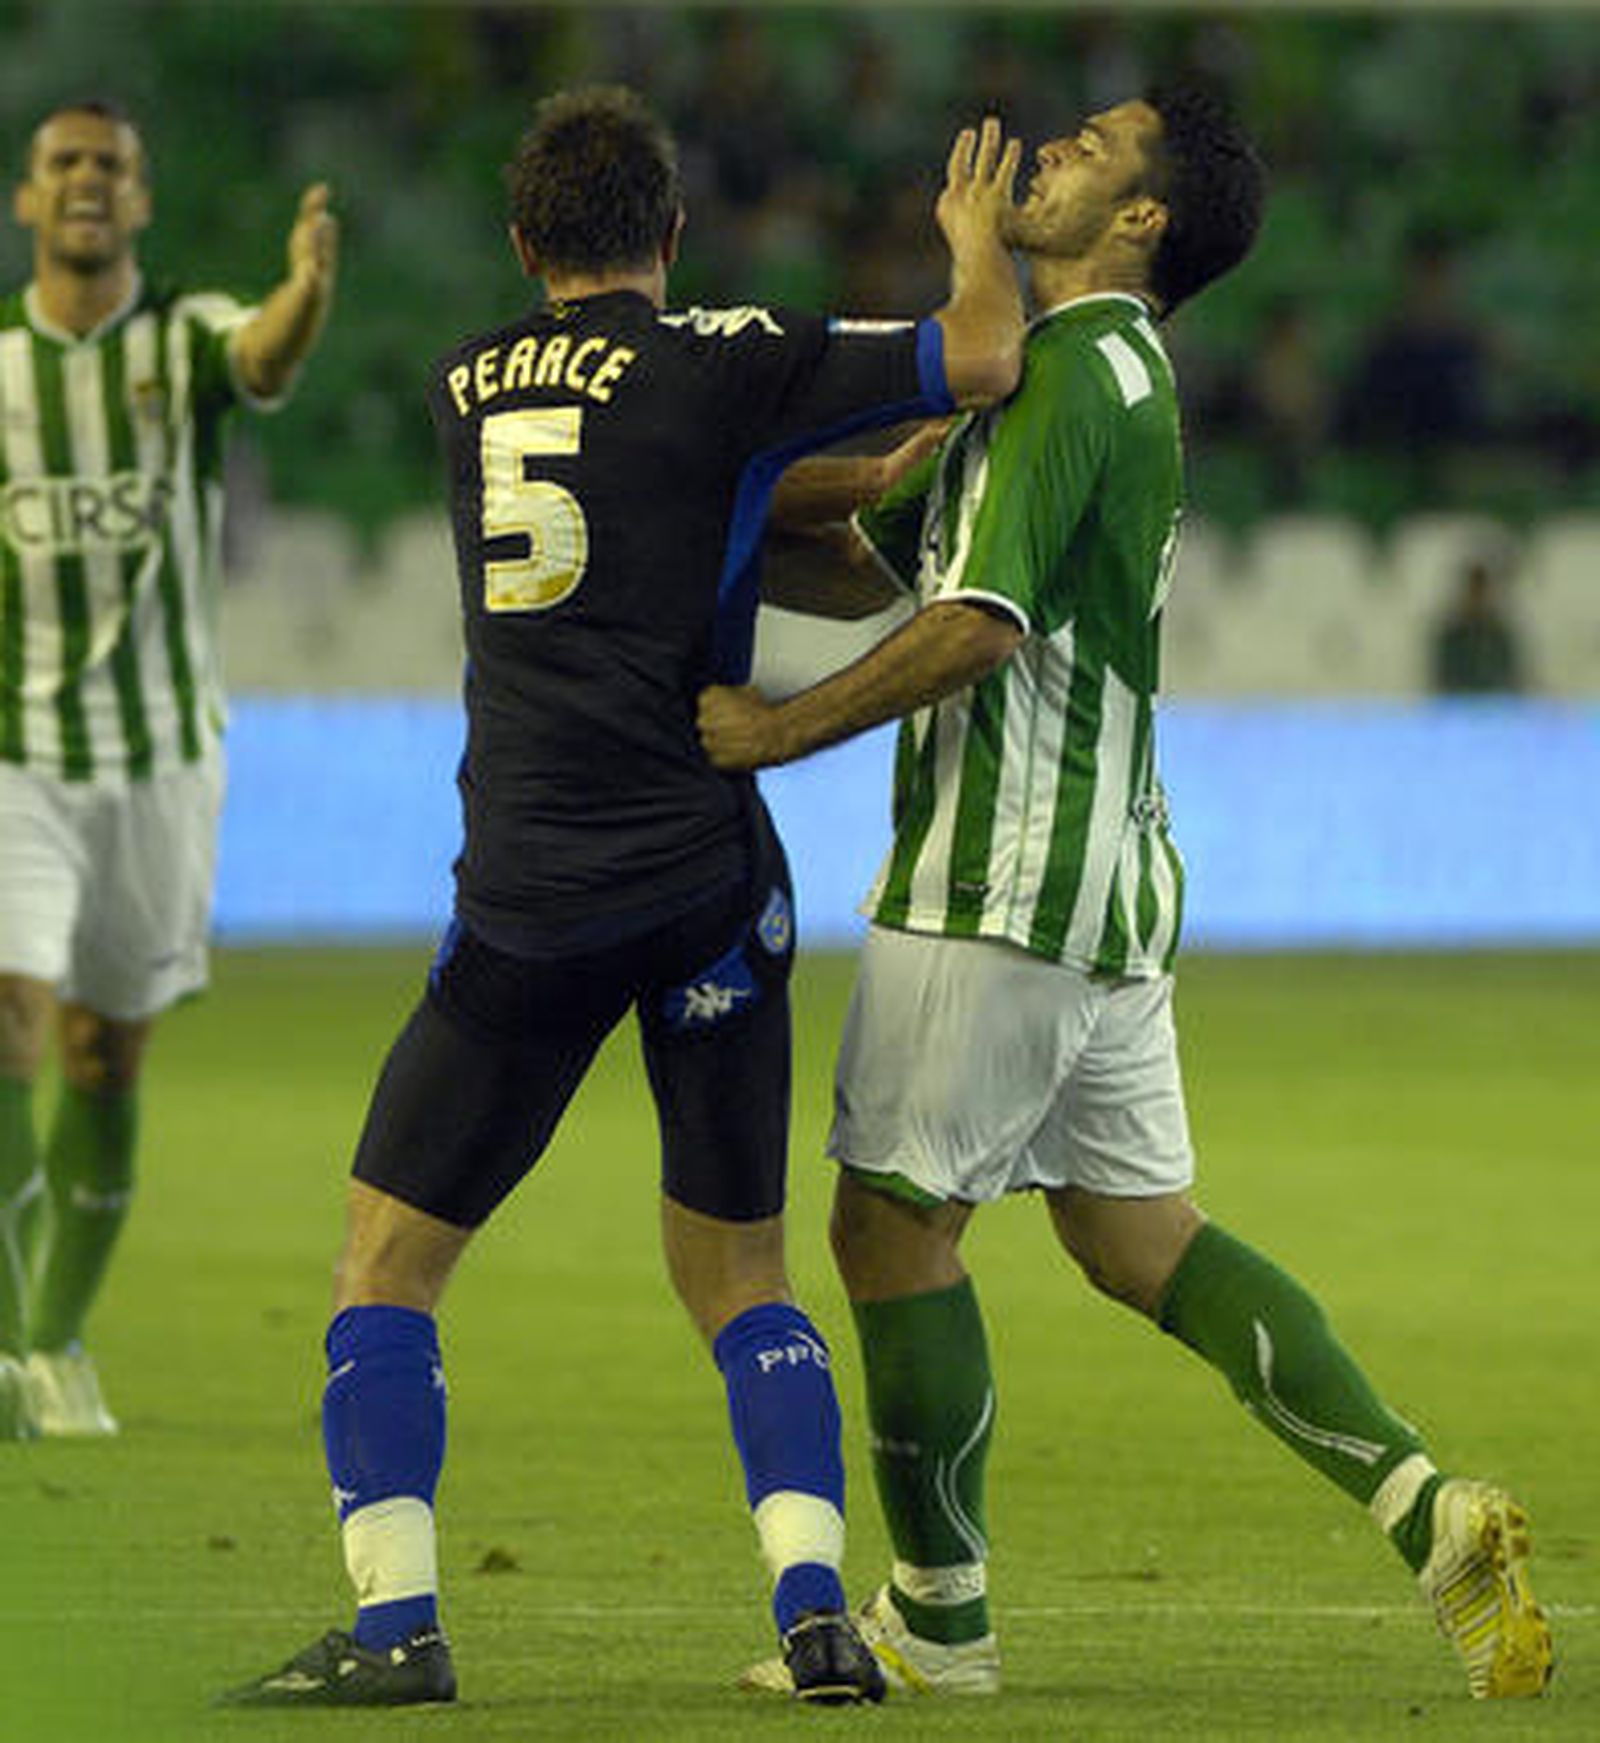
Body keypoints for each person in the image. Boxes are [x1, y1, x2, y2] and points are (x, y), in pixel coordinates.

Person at [700, 86, 1553, 1704]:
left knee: (888, 1228)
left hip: (1002, 877)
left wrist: (774, 731)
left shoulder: (1080, 369)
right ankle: (1424, 1506)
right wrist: (690, 493)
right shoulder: (1065, 380)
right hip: (1109, 880)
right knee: (1139, 1233)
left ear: (1144, 219)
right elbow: (879, 539)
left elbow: (978, 620)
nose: (1046, 155)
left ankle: (938, 1615)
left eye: (1087, 150)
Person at [224, 85, 1025, 1709]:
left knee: (385, 1262)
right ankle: (816, 1617)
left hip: (531, 893)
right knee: (742, 1275)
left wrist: (807, 480)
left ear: (527, 247)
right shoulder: (728, 359)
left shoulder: (465, 387)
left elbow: (642, 491)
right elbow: (984, 353)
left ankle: (395, 1627)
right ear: (669, 235)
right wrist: (967, 244)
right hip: (709, 884)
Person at [0, 100, 337, 1440]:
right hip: (15, 751)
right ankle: (8, 1348)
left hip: (158, 761)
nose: (87, 183)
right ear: (29, 201)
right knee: (10, 1023)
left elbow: (260, 355)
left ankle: (58, 1334)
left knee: (102, 1052)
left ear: (140, 202)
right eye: (64, 164)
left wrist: (305, 290)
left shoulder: (181, 337)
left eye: (112, 167)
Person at [1430, 551, 1526, 695]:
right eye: (1475, 590)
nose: (1479, 597)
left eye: (1482, 590)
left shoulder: (1499, 634)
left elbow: (1512, 678)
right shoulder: (1453, 635)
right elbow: (1443, 680)